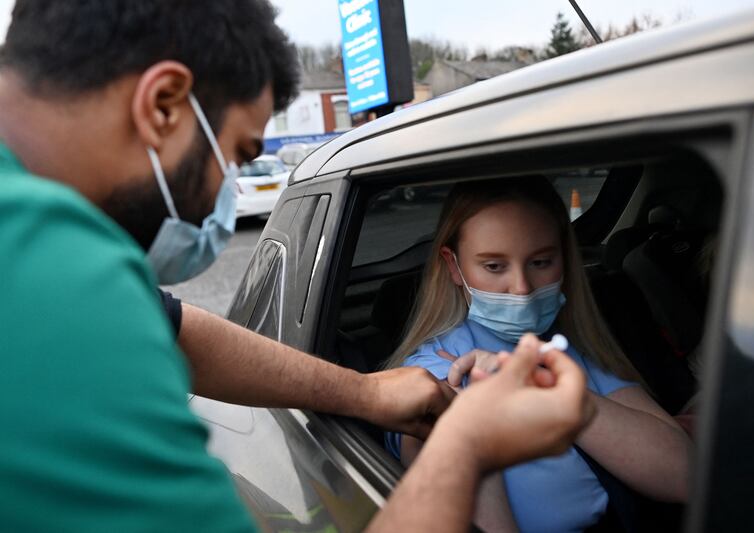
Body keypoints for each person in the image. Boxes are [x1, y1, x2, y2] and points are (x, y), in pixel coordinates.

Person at [0, 2, 592, 531]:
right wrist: (465, 447)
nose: (219, 200)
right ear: (161, 106)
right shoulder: (51, 274)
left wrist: (361, 392)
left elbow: (172, 331)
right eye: (236, 155)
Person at [385, 178, 692, 532]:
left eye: (541, 261)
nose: (522, 288)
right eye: (494, 266)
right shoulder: (436, 377)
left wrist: (549, 391)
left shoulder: (566, 349)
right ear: (454, 267)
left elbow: (684, 473)